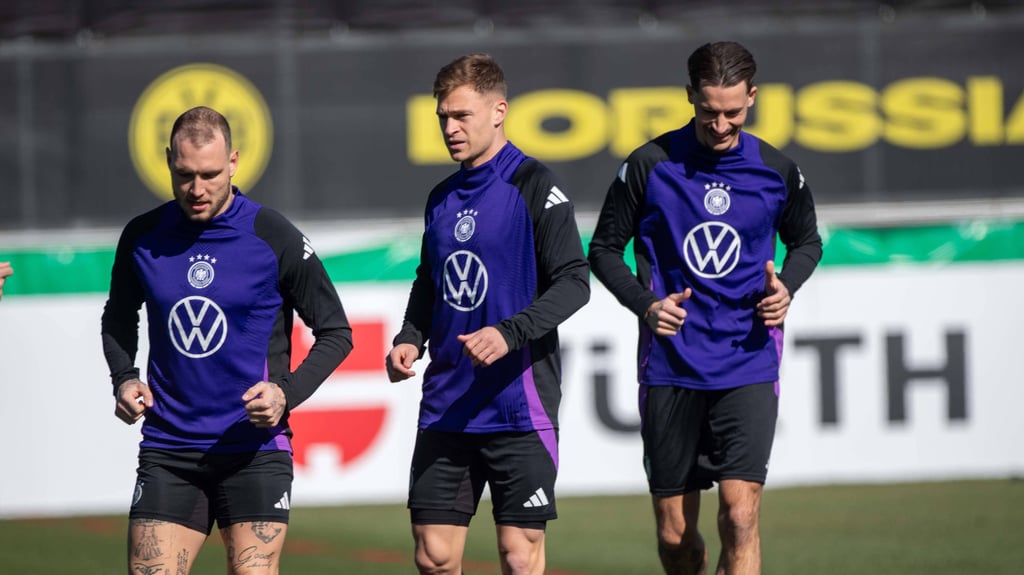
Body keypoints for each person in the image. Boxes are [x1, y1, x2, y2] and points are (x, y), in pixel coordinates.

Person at [588, 41, 823, 575]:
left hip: (748, 360)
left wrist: (786, 285)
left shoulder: (777, 171)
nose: (720, 125)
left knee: (740, 518)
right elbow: (602, 250)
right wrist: (647, 306)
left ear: (753, 98)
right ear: (690, 96)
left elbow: (807, 242)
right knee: (676, 538)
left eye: (733, 112)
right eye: (709, 111)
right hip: (671, 366)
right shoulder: (649, 165)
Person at [101, 106, 353, 575]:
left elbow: (336, 332)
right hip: (169, 448)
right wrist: (124, 377)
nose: (197, 189)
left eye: (211, 174)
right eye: (185, 175)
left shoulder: (272, 235)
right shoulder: (142, 237)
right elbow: (118, 315)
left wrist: (285, 394)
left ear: (234, 161)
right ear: (169, 161)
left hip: (254, 451)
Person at [385, 53, 590, 575]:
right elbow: (430, 282)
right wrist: (411, 336)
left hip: (517, 405)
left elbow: (574, 282)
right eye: (443, 119)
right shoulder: (440, 199)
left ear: (498, 110)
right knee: (433, 556)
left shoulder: (536, 187)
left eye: (461, 116)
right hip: (448, 403)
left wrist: (509, 332)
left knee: (519, 556)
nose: (450, 129)